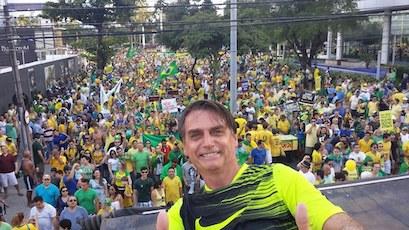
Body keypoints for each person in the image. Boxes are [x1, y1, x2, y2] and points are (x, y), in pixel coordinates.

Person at [157, 100, 362, 229]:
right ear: (185, 147)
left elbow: (337, 222)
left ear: (235, 139)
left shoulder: (279, 178)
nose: (208, 142)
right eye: (196, 135)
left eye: (217, 132)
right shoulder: (182, 215)